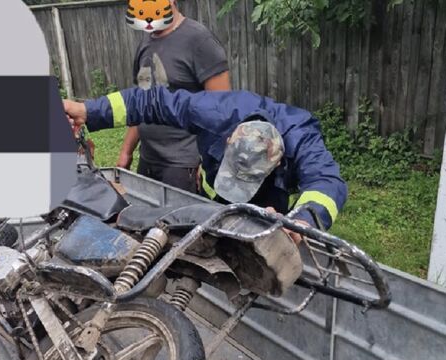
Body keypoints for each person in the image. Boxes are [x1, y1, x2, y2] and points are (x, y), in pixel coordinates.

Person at [64, 86, 348, 242]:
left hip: (272, 191)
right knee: (223, 223)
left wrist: (302, 220)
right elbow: (153, 101)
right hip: (227, 159)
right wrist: (89, 110)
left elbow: (328, 183)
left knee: (269, 236)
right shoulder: (214, 113)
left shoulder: (302, 140)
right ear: (227, 140)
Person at [118, 0, 230, 194]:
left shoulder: (200, 41)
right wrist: (126, 152)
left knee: (181, 215)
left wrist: (207, 162)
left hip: (182, 166)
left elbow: (221, 111)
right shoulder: (145, 43)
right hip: (147, 160)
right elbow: (141, 104)